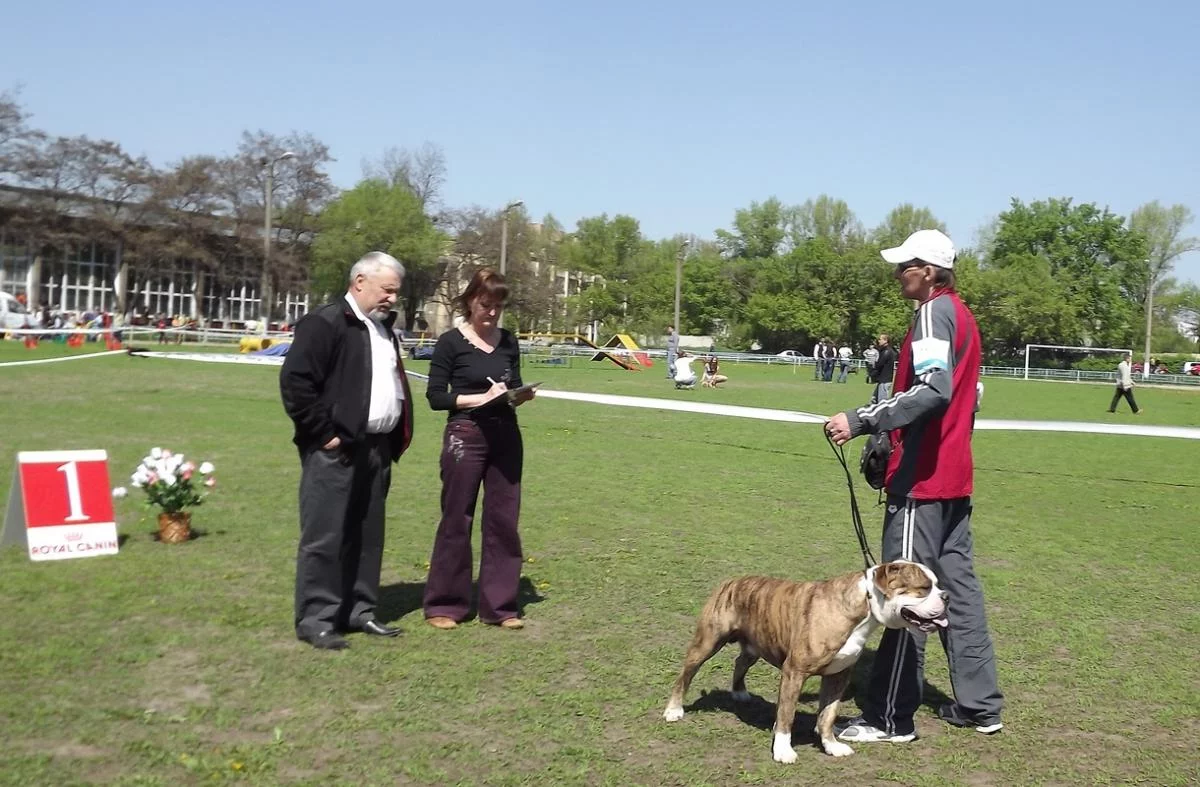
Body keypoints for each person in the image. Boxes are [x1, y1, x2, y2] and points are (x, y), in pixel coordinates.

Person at [824, 229, 1004, 743]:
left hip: (923, 481)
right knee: (960, 595)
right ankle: (980, 706)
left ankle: (888, 717)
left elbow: (932, 390)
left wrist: (862, 418)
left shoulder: (931, 313)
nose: (897, 273)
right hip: (953, 479)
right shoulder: (962, 316)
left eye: (905, 266)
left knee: (901, 596)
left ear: (928, 271)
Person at [280, 251, 414, 650]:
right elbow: (296, 382)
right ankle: (317, 619)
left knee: (368, 535)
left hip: (376, 449)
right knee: (325, 536)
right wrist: (325, 434)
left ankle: (360, 611)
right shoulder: (324, 323)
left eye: (396, 292)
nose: (392, 298)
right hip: (336, 450)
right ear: (359, 282)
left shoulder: (382, 328)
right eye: (387, 289)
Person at [424, 268, 537, 631]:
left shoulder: (509, 342)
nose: (492, 312)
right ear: (470, 300)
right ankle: (445, 604)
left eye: (498, 306)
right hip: (465, 435)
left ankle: (500, 607)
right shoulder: (450, 343)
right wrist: (479, 398)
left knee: (504, 521)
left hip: (506, 436)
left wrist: (519, 395)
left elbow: (513, 385)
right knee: (457, 518)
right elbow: (436, 397)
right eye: (486, 304)